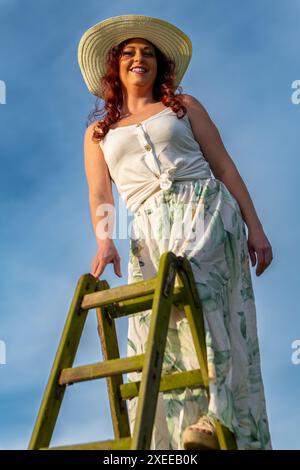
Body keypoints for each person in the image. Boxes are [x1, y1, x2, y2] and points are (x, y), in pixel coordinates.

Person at [79, 14, 273, 450]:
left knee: (204, 296)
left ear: (158, 65)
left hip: (204, 210)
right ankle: (166, 438)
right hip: (149, 231)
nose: (138, 59)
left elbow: (224, 166)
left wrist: (255, 228)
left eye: (147, 52)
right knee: (160, 329)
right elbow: (99, 194)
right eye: (129, 53)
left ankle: (215, 417)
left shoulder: (183, 106)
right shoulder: (98, 134)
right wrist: (105, 240)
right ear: (116, 65)